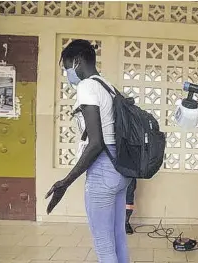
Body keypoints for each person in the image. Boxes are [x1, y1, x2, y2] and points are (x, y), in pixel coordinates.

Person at [45, 39, 131, 263]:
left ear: (77, 61)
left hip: (103, 170)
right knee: (118, 236)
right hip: (121, 168)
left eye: (66, 67)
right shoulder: (108, 86)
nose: (67, 74)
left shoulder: (86, 87)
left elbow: (96, 143)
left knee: (103, 243)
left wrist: (65, 181)